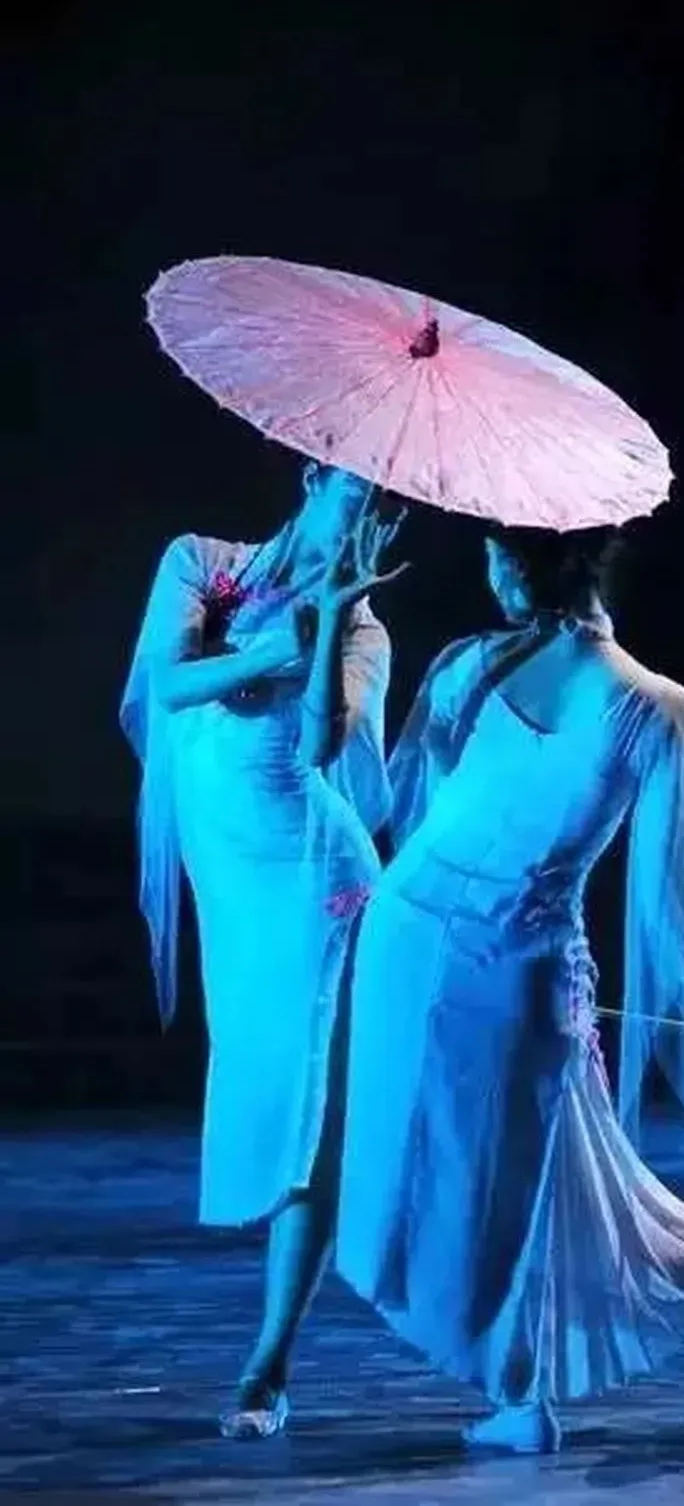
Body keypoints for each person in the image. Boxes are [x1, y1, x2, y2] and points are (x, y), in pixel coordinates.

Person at [335, 522, 684, 1454]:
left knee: (483, 1179)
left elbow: (417, 813)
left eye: (495, 558)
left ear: (518, 564)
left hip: (411, 939)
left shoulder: (467, 666)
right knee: (557, 1184)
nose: (490, 576)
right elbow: (670, 900)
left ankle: (524, 1394)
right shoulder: (655, 706)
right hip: (517, 962)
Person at [120, 463, 406, 1437]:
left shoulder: (365, 629)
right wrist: (281, 639)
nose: (377, 509)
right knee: (259, 1080)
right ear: (315, 474)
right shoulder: (203, 562)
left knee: (311, 1111)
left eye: (394, 500)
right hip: (236, 880)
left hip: (317, 879)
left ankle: (269, 1361)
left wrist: (332, 624)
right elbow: (168, 683)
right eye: (363, 487)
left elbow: (326, 745)